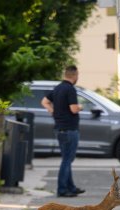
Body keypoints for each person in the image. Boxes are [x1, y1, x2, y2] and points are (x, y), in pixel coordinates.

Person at [41, 65, 85, 197]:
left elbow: (44, 101)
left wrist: (54, 112)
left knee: (67, 159)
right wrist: (80, 107)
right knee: (67, 160)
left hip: (60, 128)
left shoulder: (58, 88)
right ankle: (62, 189)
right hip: (70, 129)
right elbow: (73, 109)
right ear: (75, 75)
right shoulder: (70, 89)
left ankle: (71, 187)